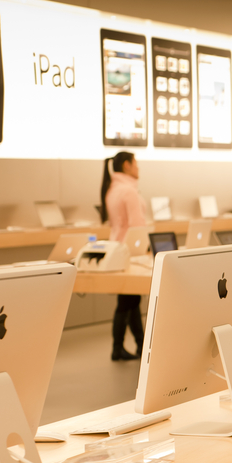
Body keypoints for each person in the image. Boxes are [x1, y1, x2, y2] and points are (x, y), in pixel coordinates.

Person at [100, 151, 146, 361]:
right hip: (130, 252)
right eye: (136, 163)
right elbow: (137, 227)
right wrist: (145, 249)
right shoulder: (128, 192)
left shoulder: (112, 189)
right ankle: (118, 348)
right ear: (127, 165)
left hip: (116, 249)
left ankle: (140, 345)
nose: (138, 167)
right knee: (127, 301)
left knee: (130, 299)